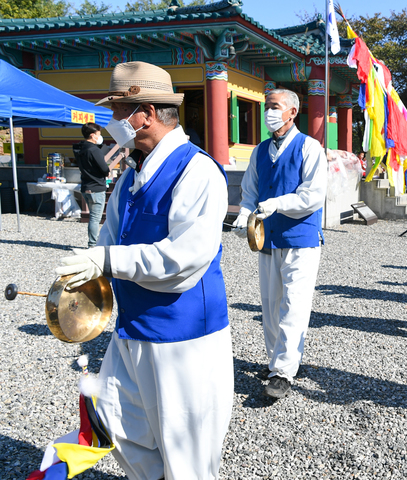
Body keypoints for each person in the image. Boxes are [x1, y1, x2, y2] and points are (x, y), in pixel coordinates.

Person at [55, 61, 233, 479]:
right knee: (116, 426)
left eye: (119, 111)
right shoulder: (134, 173)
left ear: (146, 114)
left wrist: (108, 260)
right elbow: (109, 240)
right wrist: (85, 282)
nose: (113, 120)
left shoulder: (198, 171)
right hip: (132, 329)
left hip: (183, 339)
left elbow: (185, 259)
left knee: (188, 456)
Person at [234, 88, 327, 399]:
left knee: (293, 305)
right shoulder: (260, 151)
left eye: (274, 106)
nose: (268, 112)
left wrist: (277, 204)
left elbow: (313, 195)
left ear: (292, 112)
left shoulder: (309, 147)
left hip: (300, 239)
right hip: (268, 239)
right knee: (271, 304)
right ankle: (277, 361)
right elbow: (250, 191)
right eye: (266, 106)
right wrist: (244, 215)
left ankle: (284, 372)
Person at [75, 122, 110, 248]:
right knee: (95, 218)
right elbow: (104, 169)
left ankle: (92, 243)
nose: (100, 137)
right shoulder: (94, 150)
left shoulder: (79, 148)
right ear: (92, 135)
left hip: (85, 185)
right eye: (98, 134)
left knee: (92, 217)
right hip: (96, 187)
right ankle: (93, 244)